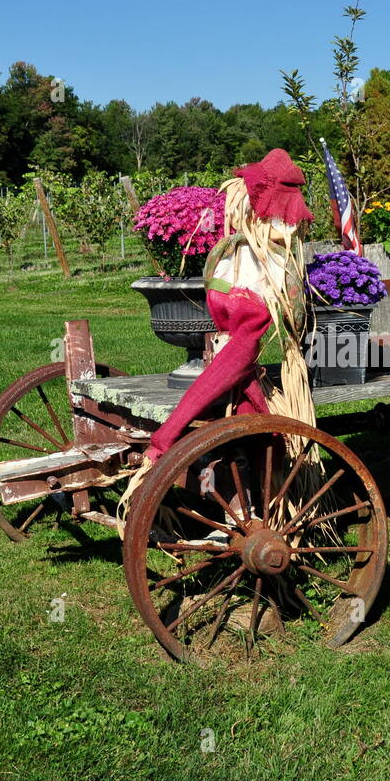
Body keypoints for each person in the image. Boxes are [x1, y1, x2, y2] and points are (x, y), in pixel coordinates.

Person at [119, 149, 317, 523]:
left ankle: (249, 502)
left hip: (234, 353)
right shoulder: (252, 261)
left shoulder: (235, 255)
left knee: (251, 427)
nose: (291, 225)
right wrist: (167, 436)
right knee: (260, 431)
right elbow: (241, 349)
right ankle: (252, 506)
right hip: (235, 354)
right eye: (283, 215)